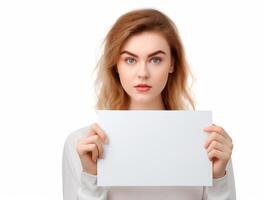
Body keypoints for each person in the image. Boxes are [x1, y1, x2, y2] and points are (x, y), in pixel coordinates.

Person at [62, 8, 236, 199]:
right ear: (115, 65)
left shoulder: (209, 143)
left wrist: (218, 179)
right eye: (130, 60)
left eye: (155, 59)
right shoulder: (82, 145)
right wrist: (91, 178)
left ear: (172, 64)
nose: (143, 73)